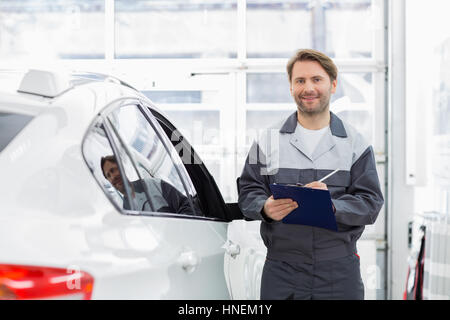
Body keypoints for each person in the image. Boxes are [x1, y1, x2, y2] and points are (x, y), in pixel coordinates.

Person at [238, 49, 384, 300]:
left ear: (333, 84)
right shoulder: (266, 141)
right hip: (282, 270)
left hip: (338, 271)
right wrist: (264, 207)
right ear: (291, 86)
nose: (308, 88)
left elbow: (371, 203)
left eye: (317, 79)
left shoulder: (356, 144)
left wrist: (333, 206)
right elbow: (248, 191)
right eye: (300, 80)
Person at [100, 155, 192, 214]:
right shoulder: (127, 213)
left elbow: (186, 206)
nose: (113, 177)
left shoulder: (153, 184)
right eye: (108, 176)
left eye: (113, 170)